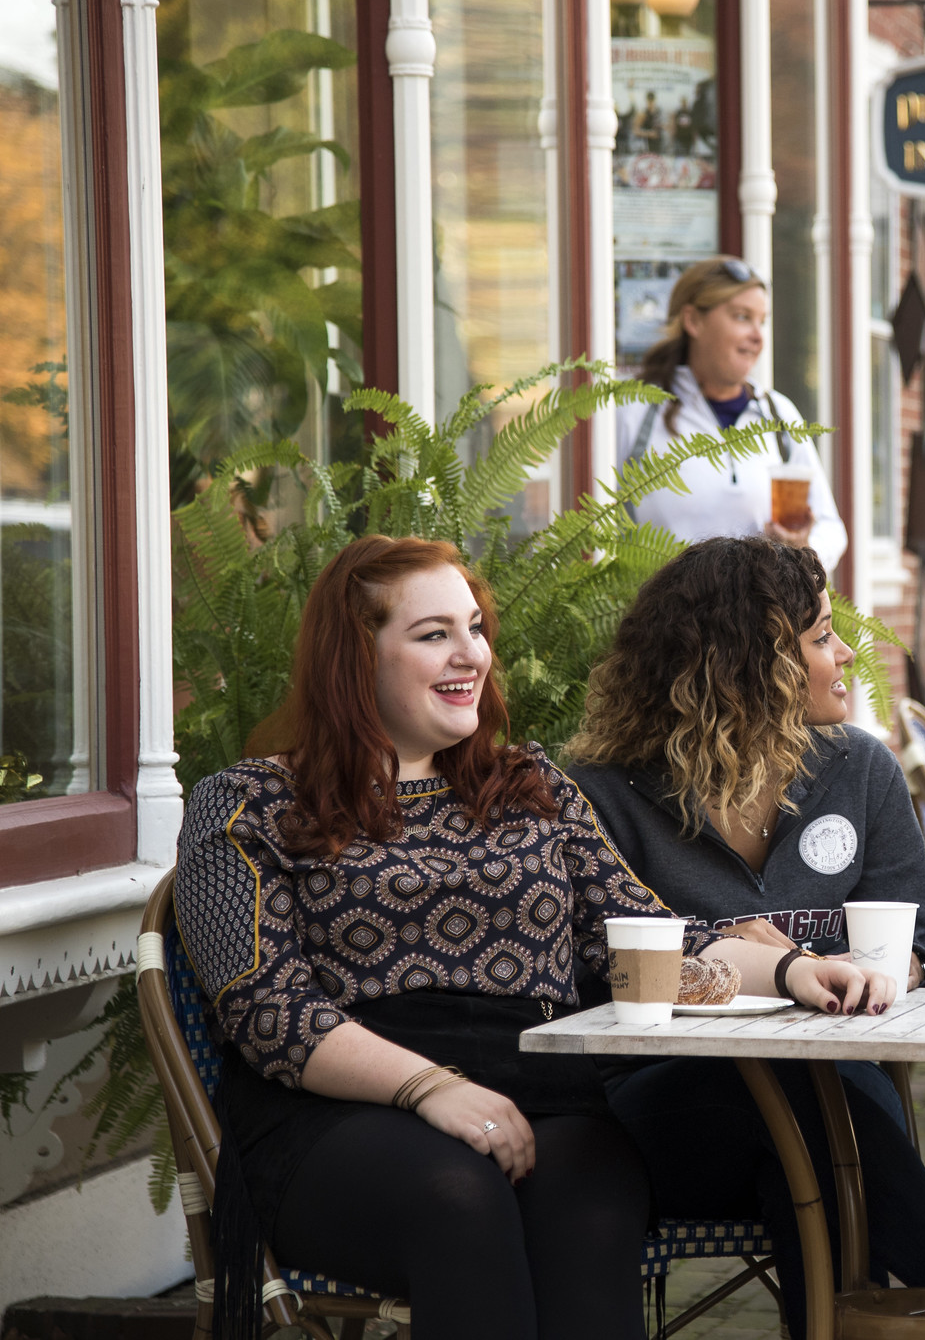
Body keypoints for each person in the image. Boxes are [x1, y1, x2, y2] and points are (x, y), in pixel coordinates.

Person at [174, 537, 888, 1340]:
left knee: (591, 1208)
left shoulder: (527, 785)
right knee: (460, 1199)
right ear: (354, 657)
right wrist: (433, 1088)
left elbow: (648, 939)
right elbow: (268, 1010)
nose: (470, 654)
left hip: (542, 1095)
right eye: (434, 633)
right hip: (341, 1110)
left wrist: (791, 970)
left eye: (475, 628)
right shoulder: (249, 803)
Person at [567, 537, 925, 1334]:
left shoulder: (860, 771)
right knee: (802, 1093)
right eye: (821, 636)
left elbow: (919, 942)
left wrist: (887, 971)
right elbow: (603, 973)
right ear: (746, 666)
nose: (846, 654)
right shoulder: (603, 796)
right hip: (661, 1119)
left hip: (825, 1125)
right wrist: (772, 968)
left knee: (812, 1158)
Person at [617, 255, 846, 574]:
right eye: (742, 317)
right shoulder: (634, 409)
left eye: (762, 321)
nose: (758, 336)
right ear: (693, 321)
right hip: (661, 606)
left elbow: (831, 528)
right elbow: (590, 524)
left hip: (763, 607)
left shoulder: (778, 414)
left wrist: (800, 552)